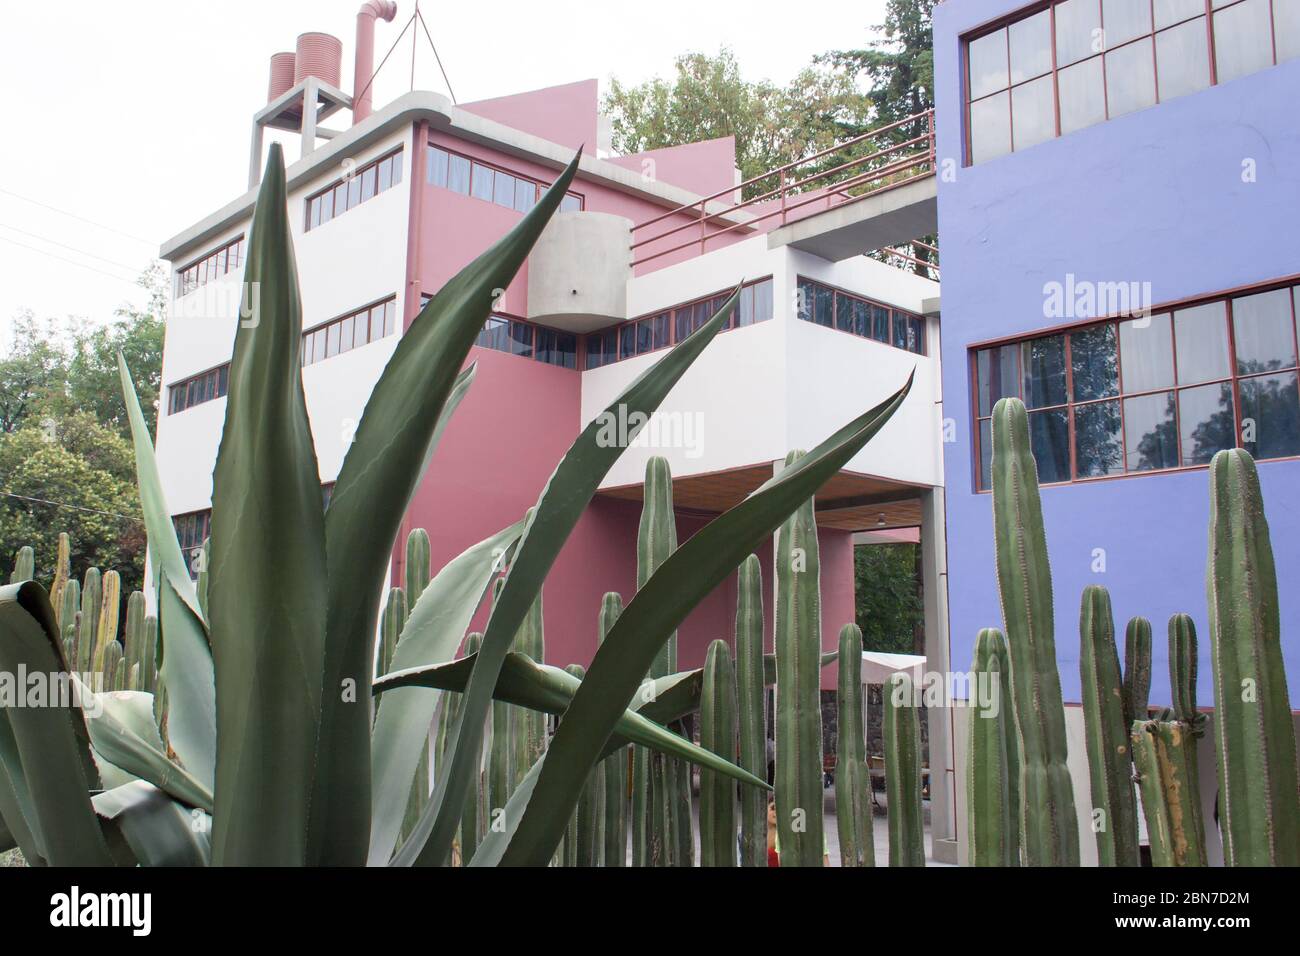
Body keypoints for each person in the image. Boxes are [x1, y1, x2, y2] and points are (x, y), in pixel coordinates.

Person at [767, 796, 831, 866]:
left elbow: (824, 858)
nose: (777, 813)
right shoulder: (759, 833)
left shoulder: (801, 832)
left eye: (783, 809)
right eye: (773, 808)